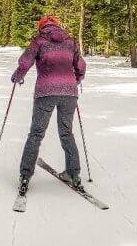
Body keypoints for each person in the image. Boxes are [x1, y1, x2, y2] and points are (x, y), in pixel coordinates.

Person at [11, 15, 86, 194]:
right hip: (69, 93)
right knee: (67, 133)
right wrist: (75, 80)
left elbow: (25, 62)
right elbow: (81, 66)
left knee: (36, 133)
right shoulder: (70, 42)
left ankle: (25, 176)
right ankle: (73, 174)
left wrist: (17, 77)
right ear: (57, 26)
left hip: (45, 92)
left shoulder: (39, 41)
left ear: (41, 27)